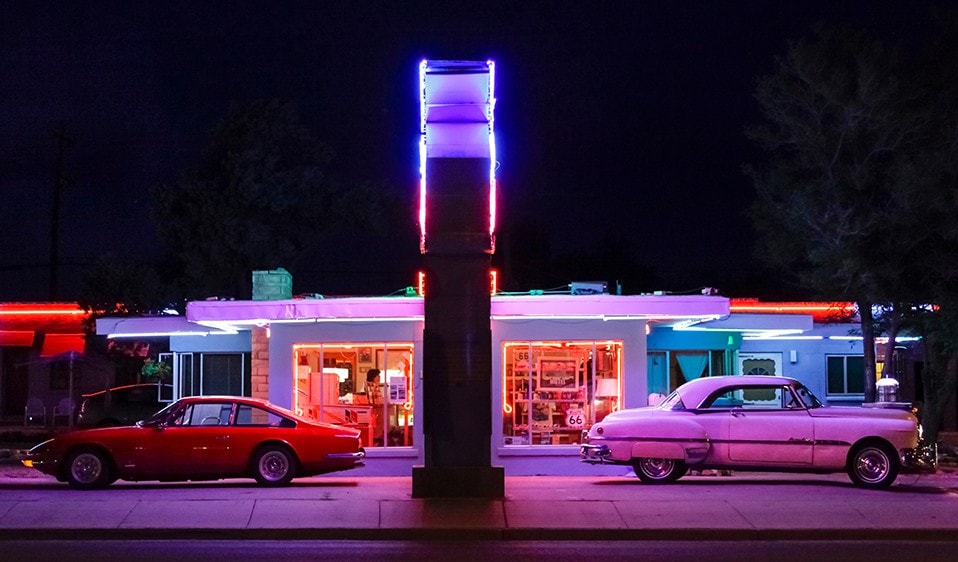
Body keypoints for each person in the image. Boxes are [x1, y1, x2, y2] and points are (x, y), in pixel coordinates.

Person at [364, 369, 384, 445]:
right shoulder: (371, 385)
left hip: (374, 410)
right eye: (378, 376)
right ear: (373, 377)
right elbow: (371, 400)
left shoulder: (372, 385)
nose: (379, 377)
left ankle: (374, 441)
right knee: (375, 428)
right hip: (374, 410)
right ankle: (374, 442)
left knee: (375, 428)